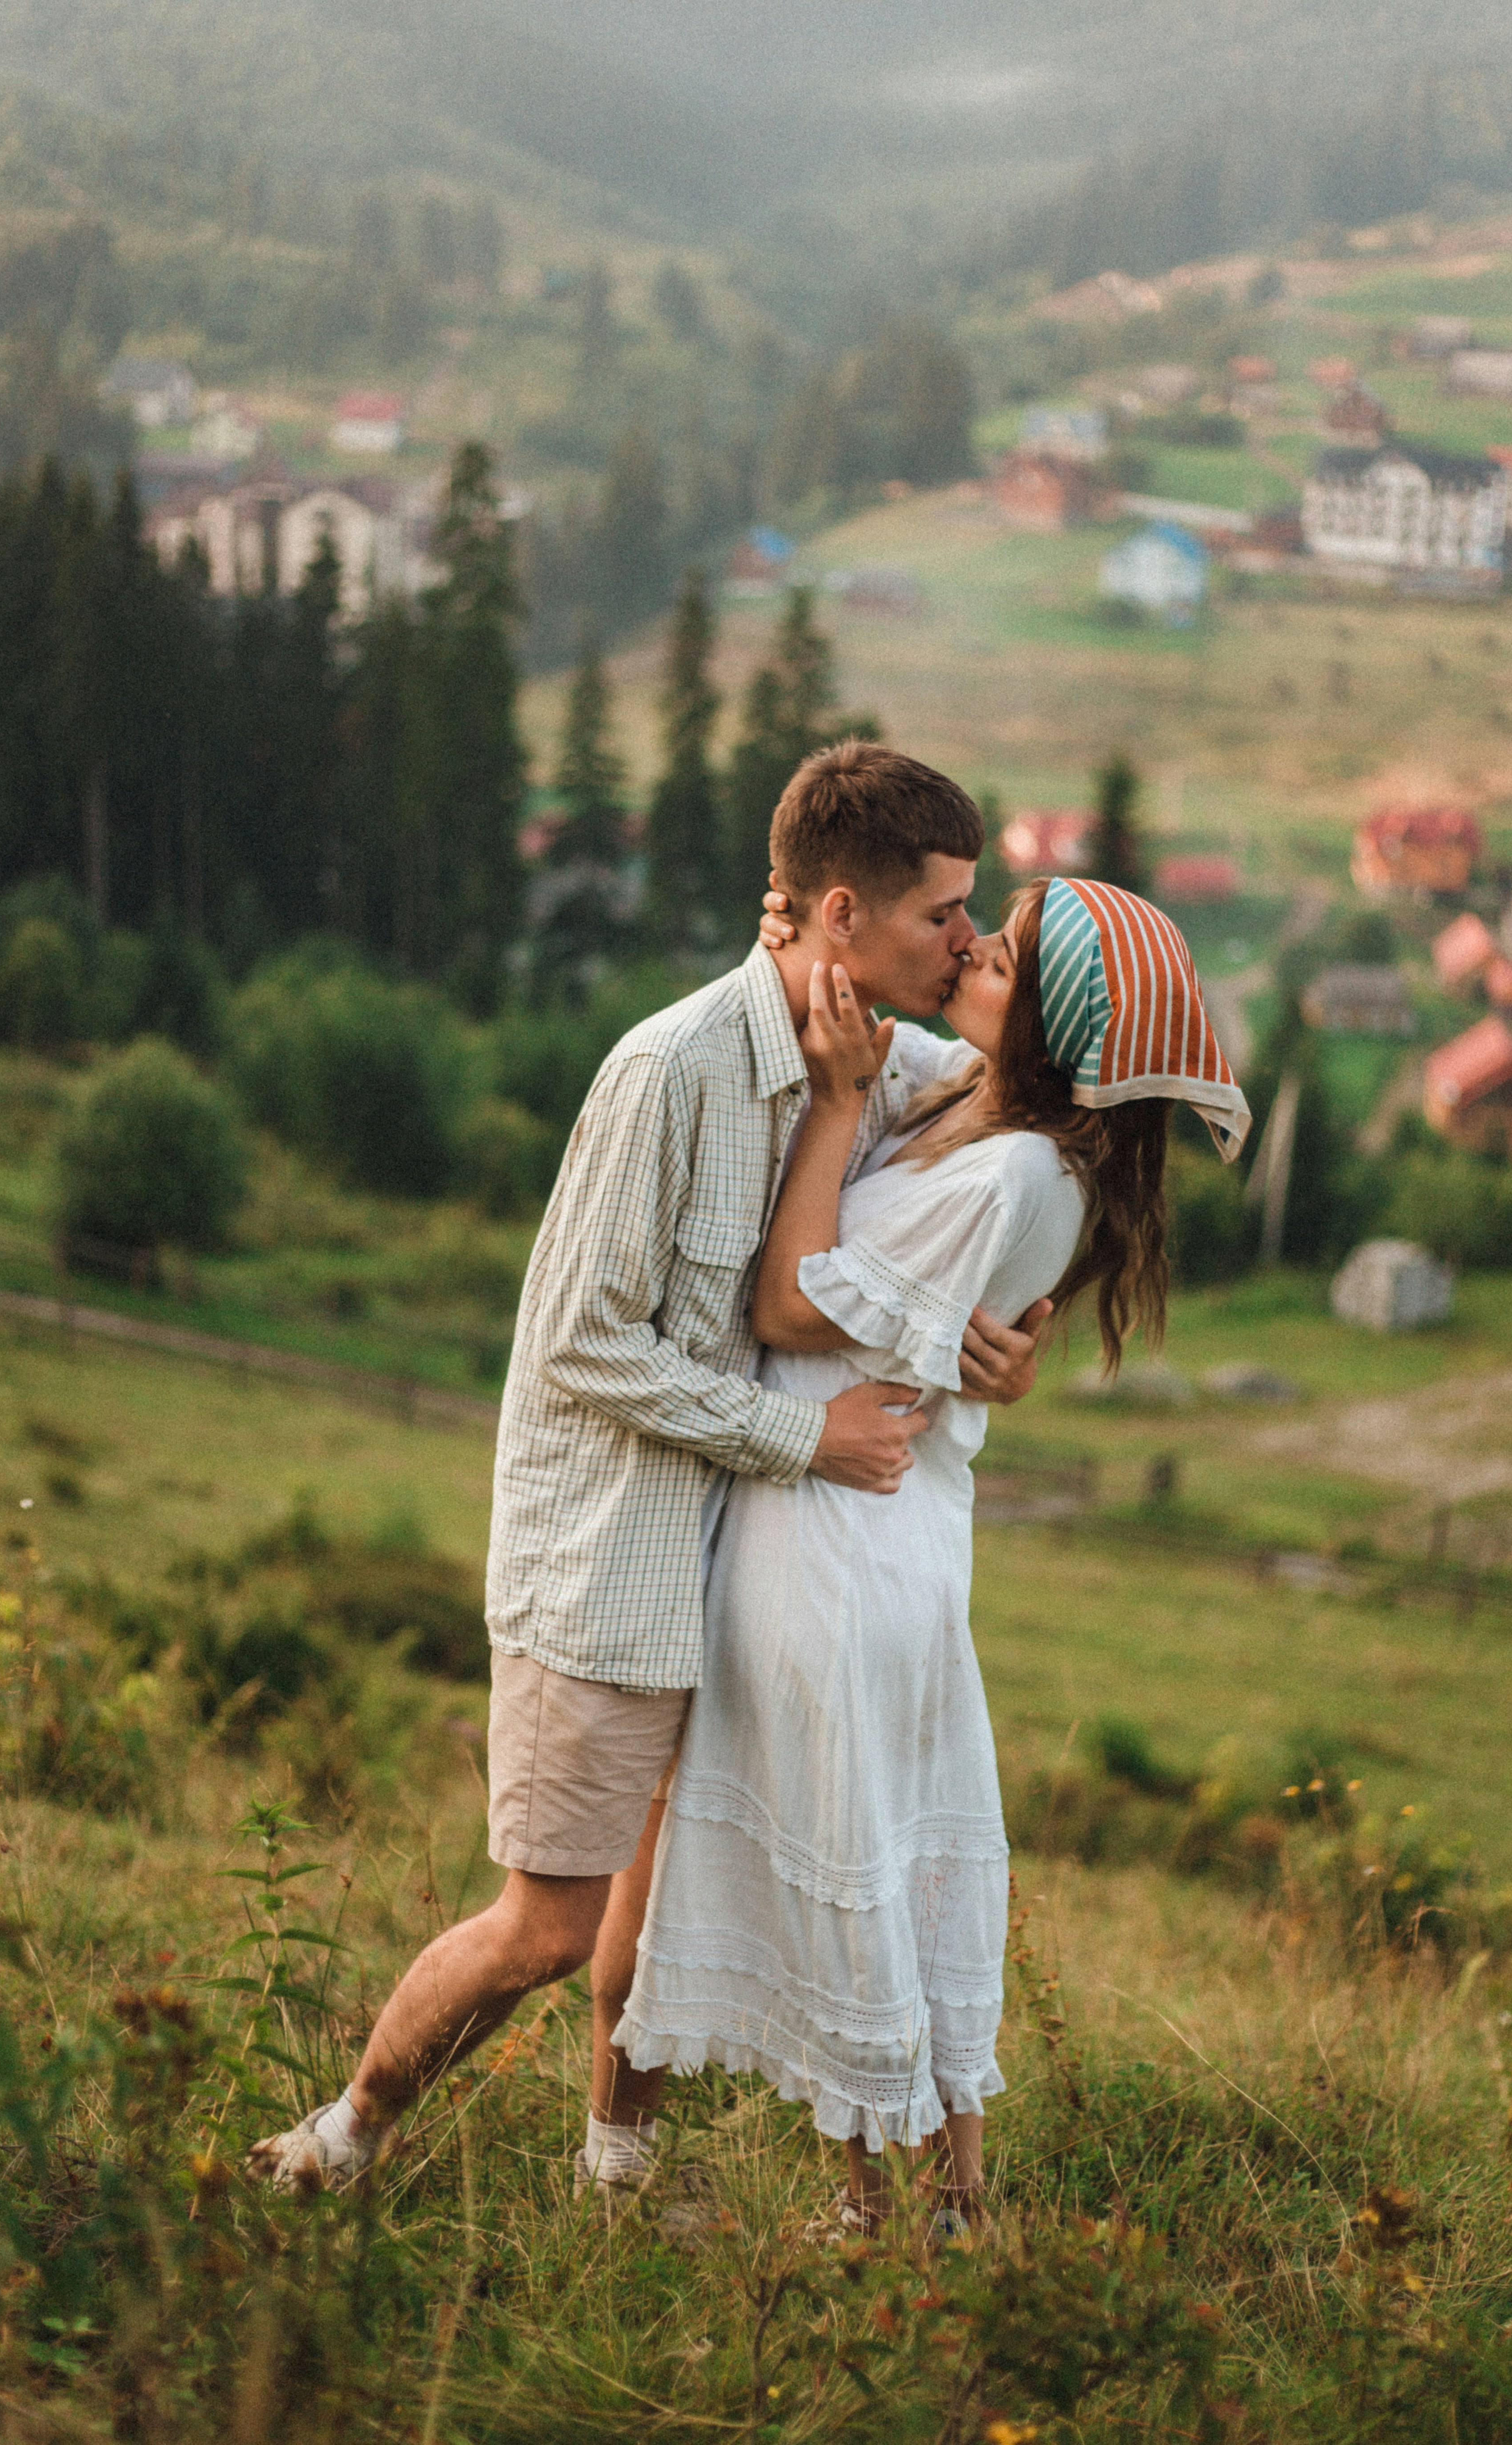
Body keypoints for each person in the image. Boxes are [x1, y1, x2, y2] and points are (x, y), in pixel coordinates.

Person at [249, 741, 1053, 2195]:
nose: (965, 937)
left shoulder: (885, 1061)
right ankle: (343, 2138)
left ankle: (614, 2173)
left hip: (744, 1575)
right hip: (609, 1564)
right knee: (549, 1927)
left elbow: (1030, 1083)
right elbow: (583, 1349)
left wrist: (1011, 1343)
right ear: (836, 913)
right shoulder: (670, 1070)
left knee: (657, 1911)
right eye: (942, 910)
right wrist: (805, 1436)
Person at [612, 874, 1249, 2231]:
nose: (972, 952)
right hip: (886, 1531)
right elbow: (869, 1042)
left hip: (842, 1533)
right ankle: (948, 2202)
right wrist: (795, 926)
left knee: (863, 1860)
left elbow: (791, 1306)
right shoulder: (983, 1107)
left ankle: (878, 2207)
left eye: (1005, 958)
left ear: (1051, 1030)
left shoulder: (1017, 1162)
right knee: (899, 1861)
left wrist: (837, 1106)